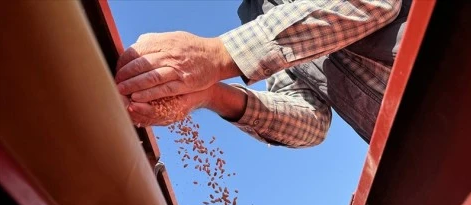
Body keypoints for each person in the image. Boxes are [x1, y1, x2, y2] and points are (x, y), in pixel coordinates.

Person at [115, 0, 411, 147]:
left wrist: (220, 54)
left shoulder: (248, 38)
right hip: (412, 146)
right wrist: (211, 95)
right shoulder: (256, 16)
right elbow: (313, 122)